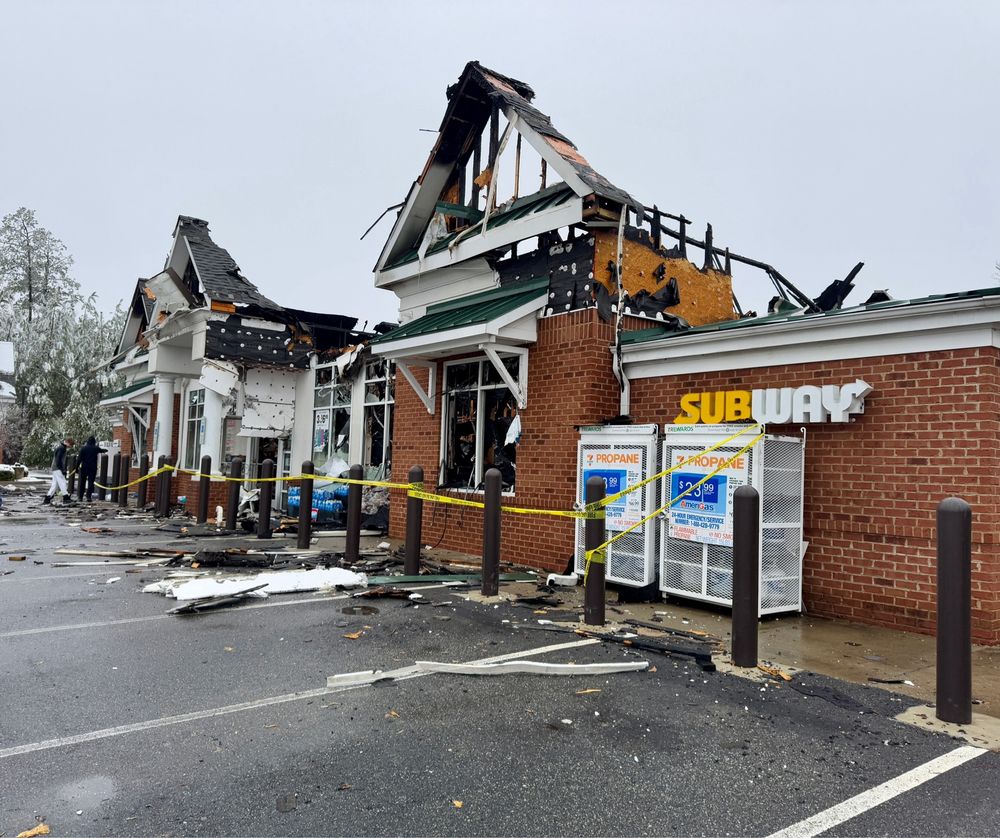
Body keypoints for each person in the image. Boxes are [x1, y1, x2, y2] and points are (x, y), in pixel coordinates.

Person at [42, 436, 75, 505]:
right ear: (68, 443)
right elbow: (58, 460)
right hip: (58, 468)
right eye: (70, 445)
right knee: (62, 482)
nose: (70, 447)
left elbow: (57, 459)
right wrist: (62, 469)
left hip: (55, 467)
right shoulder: (62, 449)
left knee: (55, 484)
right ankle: (66, 497)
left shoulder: (61, 447)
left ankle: (48, 497)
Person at [76, 436, 106, 502]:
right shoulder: (95, 448)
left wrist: (76, 468)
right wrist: (105, 450)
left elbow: (79, 459)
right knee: (91, 482)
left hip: (84, 467)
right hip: (93, 468)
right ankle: (88, 496)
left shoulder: (83, 448)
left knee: (82, 482)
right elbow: (101, 450)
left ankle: (80, 497)